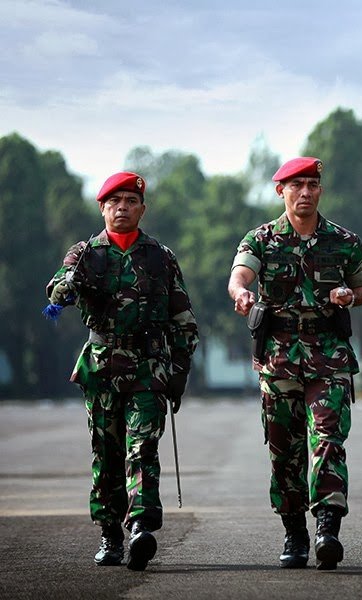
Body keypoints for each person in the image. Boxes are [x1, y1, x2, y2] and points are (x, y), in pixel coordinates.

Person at [45, 171, 199, 571]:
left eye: (131, 201)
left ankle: (142, 527)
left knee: (143, 446)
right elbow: (58, 289)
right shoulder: (84, 253)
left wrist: (179, 370)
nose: (122, 208)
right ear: (102, 208)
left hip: (147, 369)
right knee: (107, 454)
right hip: (101, 368)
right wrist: (68, 287)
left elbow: (182, 318)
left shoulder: (160, 257)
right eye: (115, 202)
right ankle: (110, 533)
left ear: (142, 208)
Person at [228, 157, 362, 570]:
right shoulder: (261, 239)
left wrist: (349, 295)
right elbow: (240, 275)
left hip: (328, 355)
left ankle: (328, 526)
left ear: (320, 191)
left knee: (328, 438)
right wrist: (241, 293)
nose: (305, 192)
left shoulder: (344, 241)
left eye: (311, 185)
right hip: (278, 359)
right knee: (283, 448)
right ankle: (294, 531)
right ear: (281, 192)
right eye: (296, 186)